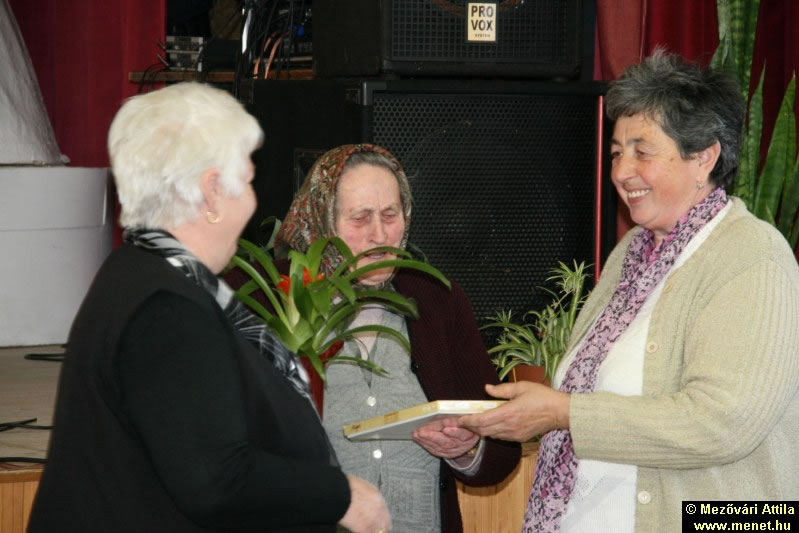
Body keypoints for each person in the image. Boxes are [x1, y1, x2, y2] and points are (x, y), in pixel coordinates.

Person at [460, 50, 799, 532]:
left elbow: (722, 423)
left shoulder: (752, 255)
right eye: (618, 152)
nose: (621, 171)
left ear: (703, 158)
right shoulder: (632, 253)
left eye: (643, 151)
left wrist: (566, 413)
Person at [28, 83, 390, 533]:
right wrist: (342, 496)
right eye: (249, 180)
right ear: (214, 191)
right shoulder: (166, 309)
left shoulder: (141, 274)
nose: (254, 200)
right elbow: (215, 479)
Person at [227, 144, 521, 532]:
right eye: (360, 218)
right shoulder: (264, 297)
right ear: (322, 221)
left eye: (390, 215)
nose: (379, 234)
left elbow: (501, 447)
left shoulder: (437, 298)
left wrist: (467, 450)